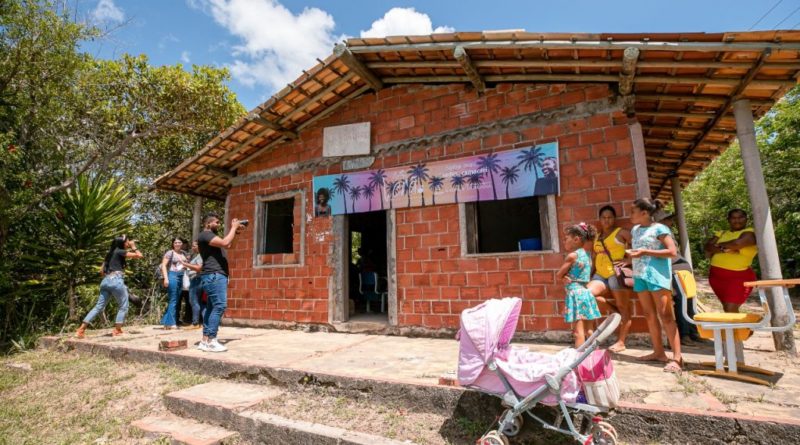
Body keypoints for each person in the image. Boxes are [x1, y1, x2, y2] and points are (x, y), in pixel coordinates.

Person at [628, 198, 682, 373]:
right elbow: (639, 252)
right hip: (640, 276)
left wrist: (645, 252)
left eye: (633, 211)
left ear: (644, 213)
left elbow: (672, 252)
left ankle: (677, 358)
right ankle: (658, 352)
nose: (630, 215)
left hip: (657, 277)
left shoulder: (660, 229)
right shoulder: (635, 230)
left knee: (666, 316)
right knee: (648, 314)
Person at [76, 235, 143, 338]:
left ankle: (81, 330)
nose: (128, 243)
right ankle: (117, 330)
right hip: (116, 280)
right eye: (127, 241)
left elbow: (101, 271)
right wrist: (133, 246)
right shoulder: (120, 251)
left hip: (105, 281)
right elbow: (139, 255)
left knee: (98, 306)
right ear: (122, 243)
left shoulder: (110, 253)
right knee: (123, 306)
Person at [587, 205, 633, 353]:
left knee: (624, 307)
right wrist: (590, 273)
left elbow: (638, 245)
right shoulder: (597, 236)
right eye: (604, 218)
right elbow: (595, 256)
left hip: (616, 274)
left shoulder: (621, 233)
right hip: (600, 275)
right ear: (600, 219)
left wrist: (629, 260)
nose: (606, 220)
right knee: (587, 295)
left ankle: (621, 342)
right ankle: (615, 313)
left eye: (610, 217)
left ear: (614, 219)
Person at [197, 213, 242, 353]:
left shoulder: (212, 238)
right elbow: (224, 242)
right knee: (220, 305)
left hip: (214, 276)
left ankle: (205, 340)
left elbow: (228, 245)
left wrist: (237, 231)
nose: (219, 224)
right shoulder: (205, 235)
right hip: (214, 275)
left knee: (211, 308)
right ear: (208, 224)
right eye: (216, 222)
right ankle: (211, 340)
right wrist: (233, 227)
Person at [657, 212, 704, 346]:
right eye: (667, 219)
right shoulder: (658, 234)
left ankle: (693, 331)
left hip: (683, 269)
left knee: (690, 300)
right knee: (681, 302)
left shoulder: (668, 233)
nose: (670, 222)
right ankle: (684, 335)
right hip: (674, 269)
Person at [557, 222, 603, 348]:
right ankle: (595, 357)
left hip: (576, 295)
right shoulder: (587, 254)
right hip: (585, 293)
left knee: (578, 332)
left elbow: (558, 274)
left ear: (576, 239)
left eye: (566, 239)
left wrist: (563, 277)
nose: (564, 242)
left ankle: (579, 362)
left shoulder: (572, 256)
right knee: (589, 330)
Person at [704, 209, 758, 313]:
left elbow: (737, 244)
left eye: (740, 217)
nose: (737, 220)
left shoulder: (750, 233)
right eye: (733, 218)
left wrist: (718, 247)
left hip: (738, 278)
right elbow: (707, 247)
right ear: (728, 220)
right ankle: (744, 329)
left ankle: (748, 328)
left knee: (730, 308)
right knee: (728, 309)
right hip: (716, 278)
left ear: (746, 219)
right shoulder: (722, 233)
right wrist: (726, 249)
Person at [160, 238, 188, 329]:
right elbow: (163, 265)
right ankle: (171, 323)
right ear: (173, 244)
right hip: (172, 275)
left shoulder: (184, 253)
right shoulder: (170, 253)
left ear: (182, 243)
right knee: (173, 299)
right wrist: (166, 278)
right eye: (175, 242)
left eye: (179, 242)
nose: (177, 244)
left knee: (177, 298)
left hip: (181, 276)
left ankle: (166, 322)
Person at [180, 240, 204, 330]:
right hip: (197, 279)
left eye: (194, 246)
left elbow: (199, 268)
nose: (192, 247)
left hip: (197, 279)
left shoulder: (201, 255)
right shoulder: (198, 255)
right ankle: (200, 322)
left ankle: (195, 323)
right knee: (198, 302)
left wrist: (185, 264)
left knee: (194, 301)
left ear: (199, 246)